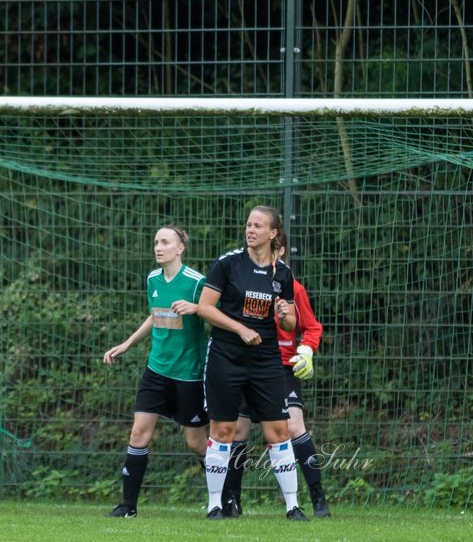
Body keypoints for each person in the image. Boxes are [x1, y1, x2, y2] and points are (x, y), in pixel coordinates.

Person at [197, 205, 308, 521]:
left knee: (278, 430)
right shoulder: (228, 264)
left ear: (273, 233)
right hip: (226, 355)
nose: (251, 230)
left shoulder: (282, 273)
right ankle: (215, 504)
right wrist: (240, 328)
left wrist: (286, 315)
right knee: (223, 429)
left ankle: (292, 506)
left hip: (265, 359)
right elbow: (205, 308)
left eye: (258, 226)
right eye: (248, 224)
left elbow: (288, 324)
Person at [102, 225, 208, 518]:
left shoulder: (197, 282)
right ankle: (128, 506)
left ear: (180, 248)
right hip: (156, 370)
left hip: (189, 374)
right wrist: (127, 343)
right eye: (155, 242)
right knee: (139, 434)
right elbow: (155, 316)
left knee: (195, 442)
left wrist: (197, 308)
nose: (158, 247)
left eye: (165, 242)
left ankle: (223, 498)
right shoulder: (152, 279)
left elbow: (215, 314)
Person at [221, 235, 330, 518]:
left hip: (280, 368)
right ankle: (232, 501)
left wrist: (305, 351)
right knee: (237, 431)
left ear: (279, 251)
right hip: (247, 364)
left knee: (294, 428)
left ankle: (317, 499)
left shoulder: (293, 287)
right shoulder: (241, 280)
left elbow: (312, 327)